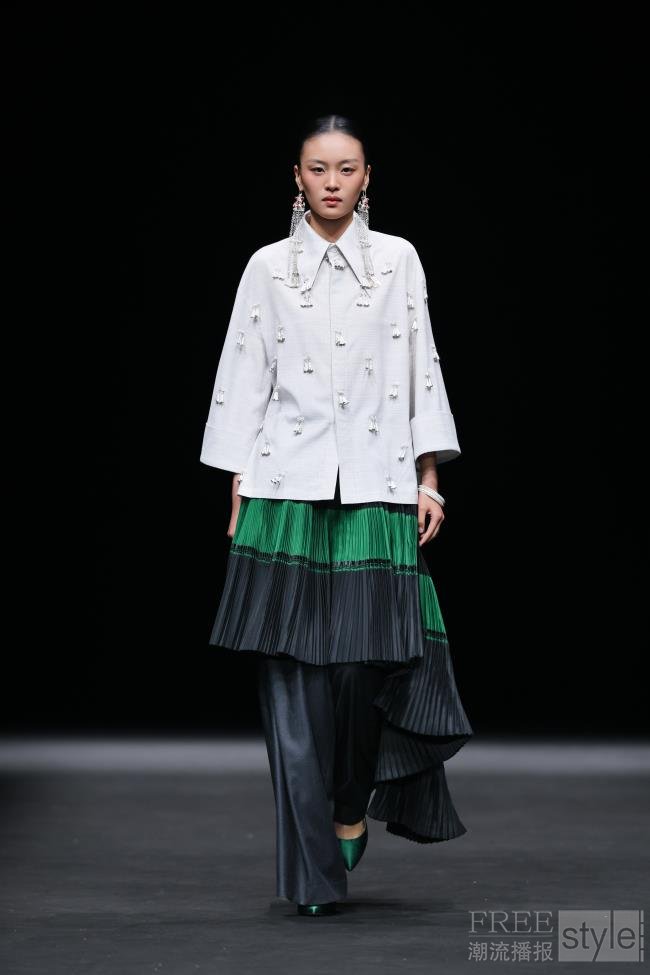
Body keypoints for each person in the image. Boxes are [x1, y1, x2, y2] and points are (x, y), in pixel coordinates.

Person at [200, 114, 473, 917]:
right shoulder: (267, 267)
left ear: (366, 177)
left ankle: (351, 799)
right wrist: (240, 479)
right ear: (297, 177)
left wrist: (429, 476)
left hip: (378, 480)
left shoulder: (397, 260)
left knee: (361, 668)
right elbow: (244, 371)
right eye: (317, 168)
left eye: (345, 168)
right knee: (291, 679)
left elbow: (421, 362)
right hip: (285, 482)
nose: (331, 182)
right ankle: (312, 874)